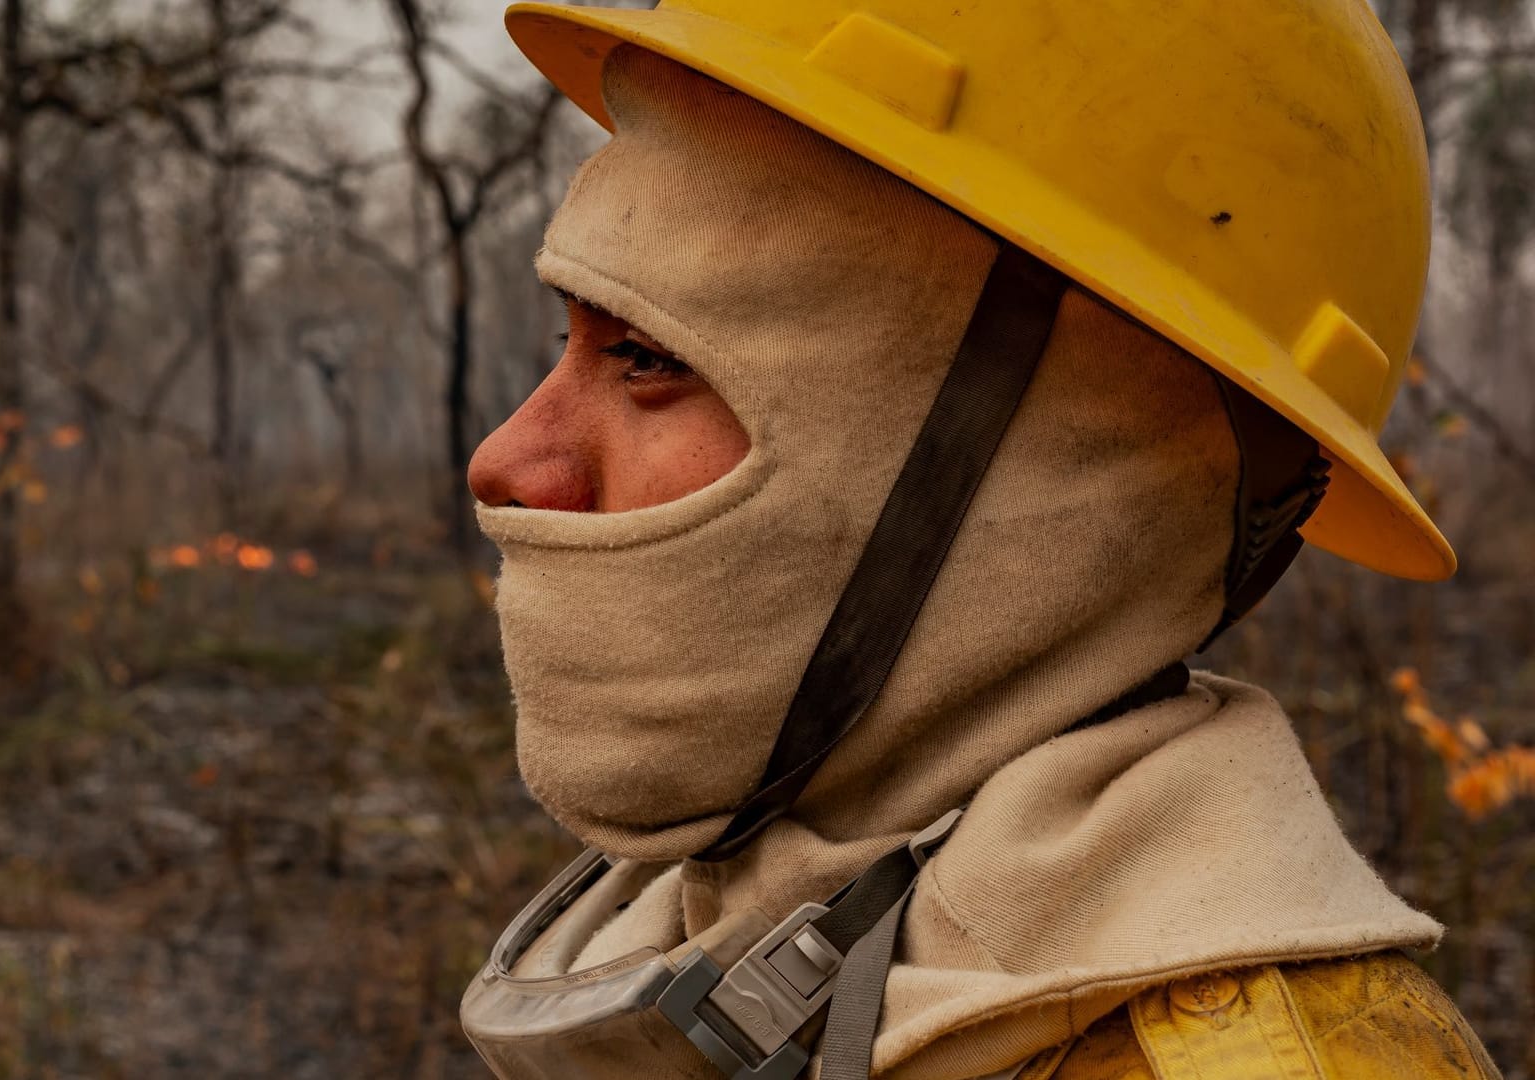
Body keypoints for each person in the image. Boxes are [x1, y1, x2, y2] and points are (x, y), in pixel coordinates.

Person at [456, 2, 1504, 1078]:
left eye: (645, 358)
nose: (507, 457)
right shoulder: (712, 918)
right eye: (564, 341)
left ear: (1057, 464)